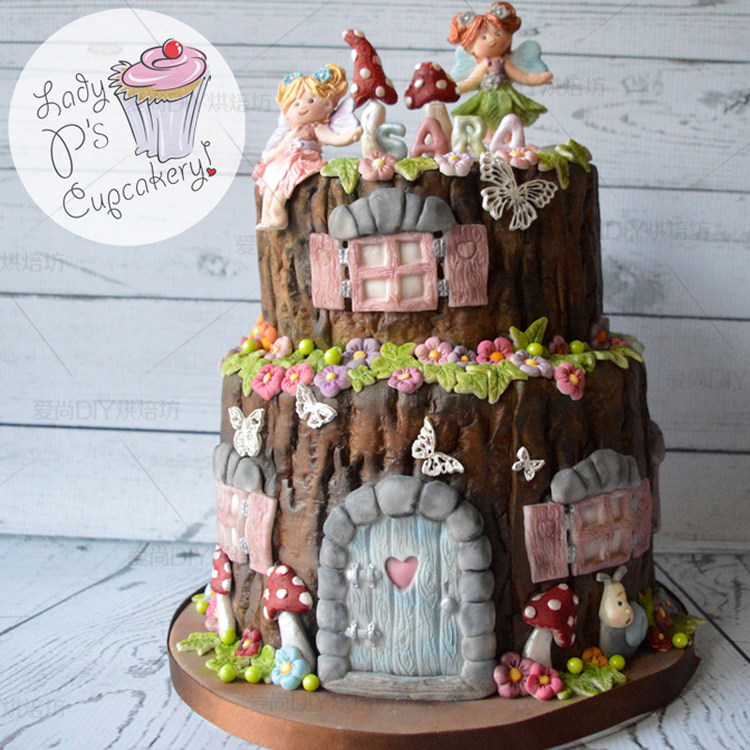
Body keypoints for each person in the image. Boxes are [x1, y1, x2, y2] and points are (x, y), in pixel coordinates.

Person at [253, 64, 362, 229]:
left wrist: (349, 136)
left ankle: (278, 215)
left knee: (286, 181)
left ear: (327, 105)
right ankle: (267, 216)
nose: (302, 107)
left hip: (304, 159)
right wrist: (271, 154)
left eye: (311, 101)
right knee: (271, 179)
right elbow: (280, 147)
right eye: (296, 104)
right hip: (284, 160)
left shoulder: (315, 127)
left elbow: (332, 137)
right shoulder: (290, 131)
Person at [448, 2, 553, 130]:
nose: (492, 40)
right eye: (484, 37)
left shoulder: (503, 62)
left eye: (497, 34)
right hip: (487, 98)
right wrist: (456, 88)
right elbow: (472, 81)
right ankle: (488, 138)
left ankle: (508, 138)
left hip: (506, 96)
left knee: (507, 118)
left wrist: (541, 78)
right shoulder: (485, 64)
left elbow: (522, 77)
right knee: (486, 120)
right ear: (470, 47)